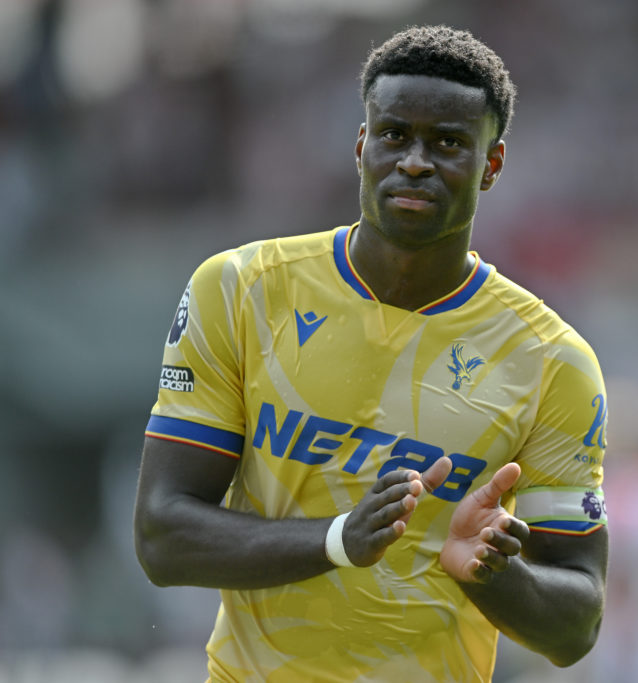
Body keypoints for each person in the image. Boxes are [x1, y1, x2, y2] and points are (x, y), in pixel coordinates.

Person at [133, 24, 609, 683]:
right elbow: (163, 535)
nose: (415, 160)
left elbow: (577, 622)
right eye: (394, 135)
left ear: (491, 164)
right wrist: (337, 541)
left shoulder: (553, 359)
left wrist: (497, 576)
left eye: (447, 142)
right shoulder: (241, 289)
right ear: (362, 146)